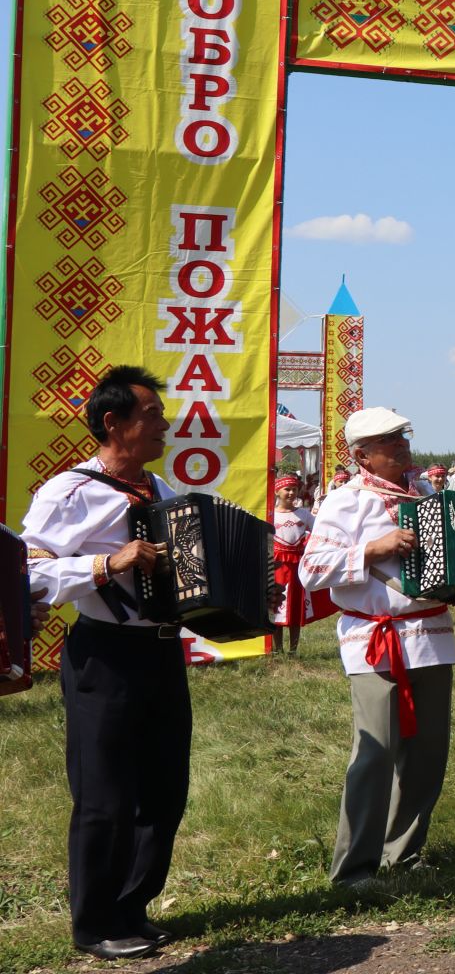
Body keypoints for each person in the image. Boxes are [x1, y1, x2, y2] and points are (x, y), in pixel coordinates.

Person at [20, 367, 192, 959]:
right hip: (105, 655)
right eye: (151, 415)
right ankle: (93, 923)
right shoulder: (68, 492)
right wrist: (104, 565)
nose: (163, 424)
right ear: (112, 422)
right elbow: (30, 573)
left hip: (163, 651)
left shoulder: (164, 492)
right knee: (105, 793)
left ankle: (131, 907)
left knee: (164, 789)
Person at [300, 407, 455, 886]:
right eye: (388, 441)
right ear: (362, 456)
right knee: (375, 753)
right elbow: (310, 571)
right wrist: (371, 550)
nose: (401, 446)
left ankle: (402, 856)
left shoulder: (427, 495)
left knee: (427, 754)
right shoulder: (346, 500)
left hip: (431, 639)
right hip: (375, 640)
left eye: (403, 437)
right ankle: (353, 870)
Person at [271, 474, 331, 652]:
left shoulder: (303, 514)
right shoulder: (270, 514)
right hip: (277, 567)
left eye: (294, 489)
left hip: (297, 566)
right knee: (276, 606)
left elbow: (320, 531)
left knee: (296, 606)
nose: (291, 493)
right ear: (277, 491)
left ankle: (293, 650)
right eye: (286, 489)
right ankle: (277, 648)